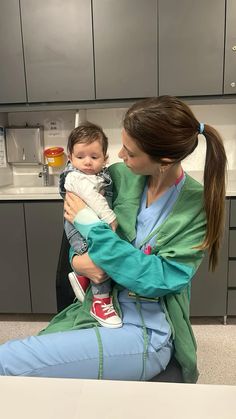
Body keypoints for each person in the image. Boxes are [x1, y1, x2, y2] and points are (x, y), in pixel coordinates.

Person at [0, 96, 226, 383]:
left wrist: (93, 228)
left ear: (164, 161)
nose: (119, 156)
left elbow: (159, 278)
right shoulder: (118, 176)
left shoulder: (196, 205)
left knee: (8, 362)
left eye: (130, 152)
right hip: (97, 305)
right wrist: (79, 261)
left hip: (145, 329)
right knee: (28, 359)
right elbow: (74, 231)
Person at [59, 121, 122, 328]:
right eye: (80, 157)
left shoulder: (99, 175)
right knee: (99, 257)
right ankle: (100, 301)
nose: (87, 162)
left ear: (105, 159)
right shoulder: (76, 178)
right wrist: (110, 218)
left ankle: (81, 276)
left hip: (88, 224)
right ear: (70, 158)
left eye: (94, 157)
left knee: (100, 255)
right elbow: (94, 200)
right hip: (78, 229)